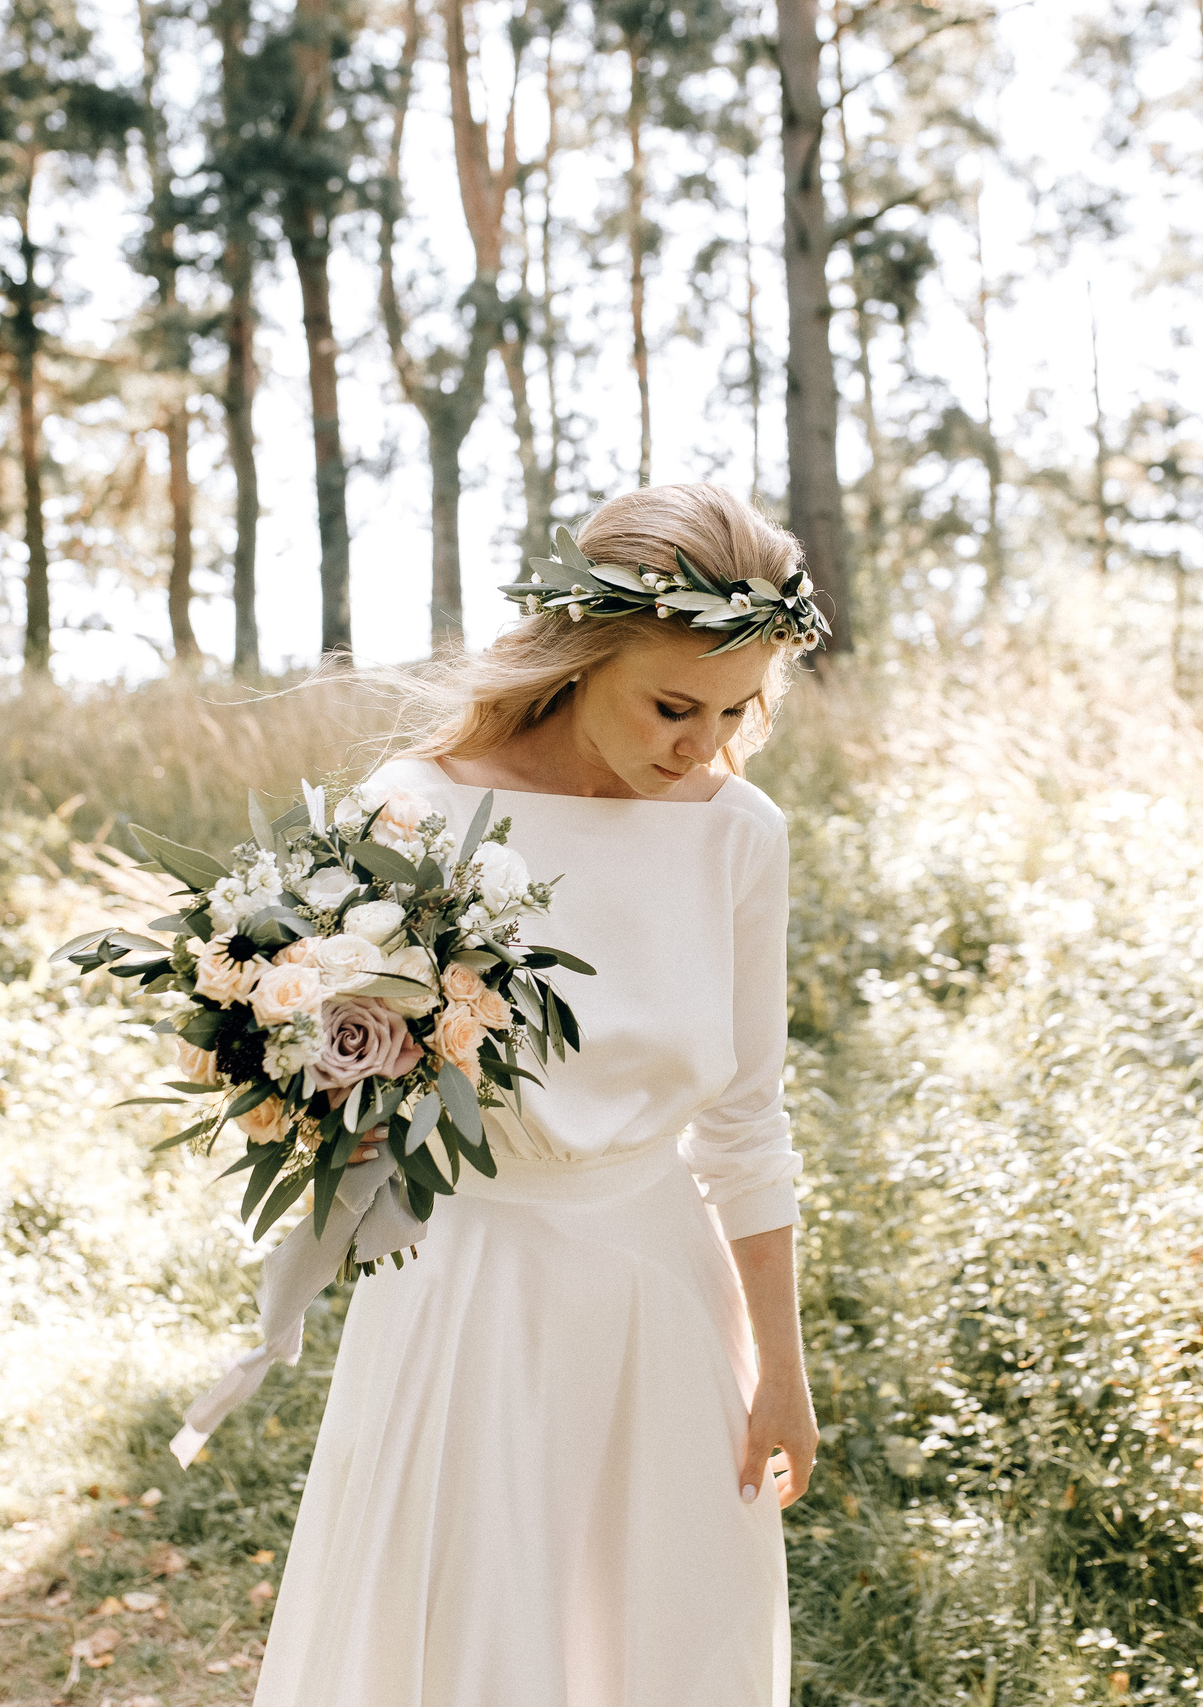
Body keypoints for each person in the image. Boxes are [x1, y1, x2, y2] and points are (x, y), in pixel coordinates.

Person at [248, 483, 827, 1705]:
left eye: (735, 710)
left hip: (660, 1281)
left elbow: (745, 1122)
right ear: (581, 653)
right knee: (466, 1630)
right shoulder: (415, 807)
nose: (702, 745)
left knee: (664, 1633)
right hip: (467, 1277)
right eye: (672, 705)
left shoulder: (739, 834)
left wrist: (782, 1367)